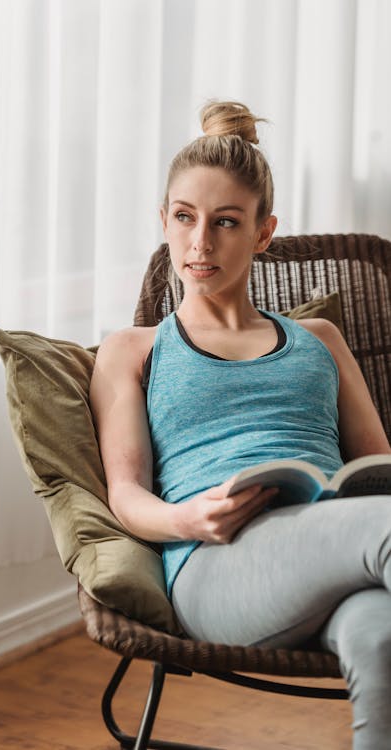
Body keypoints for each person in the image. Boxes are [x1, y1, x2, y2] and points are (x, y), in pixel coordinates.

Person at [89, 100, 391, 750]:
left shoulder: (321, 339)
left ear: (262, 232)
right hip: (215, 566)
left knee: (382, 637)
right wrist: (186, 519)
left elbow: (380, 472)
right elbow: (124, 492)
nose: (200, 244)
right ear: (163, 221)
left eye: (225, 223)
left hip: (335, 551)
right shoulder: (135, 350)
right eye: (184, 218)